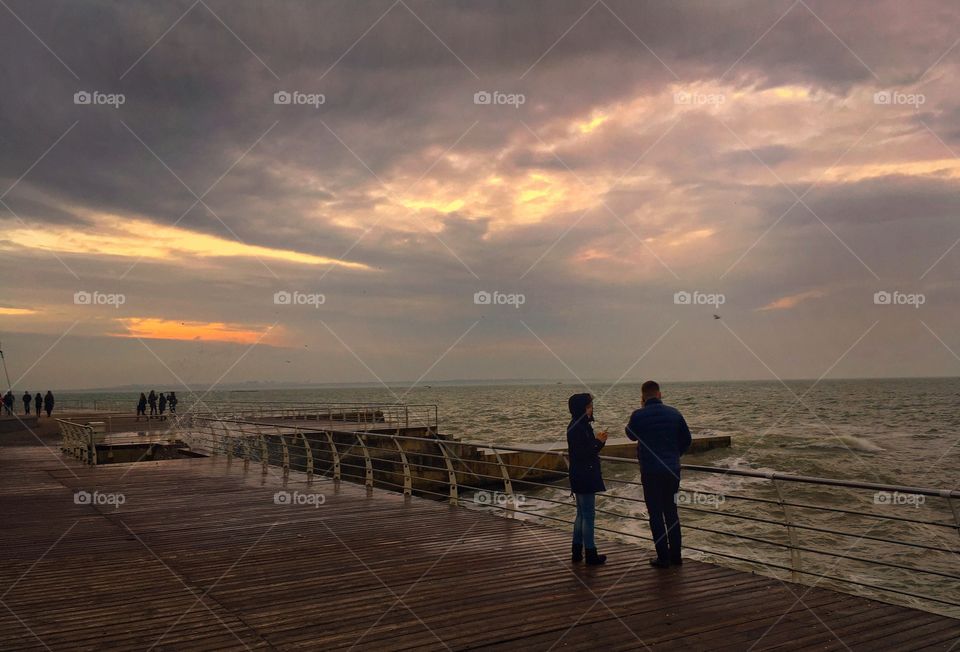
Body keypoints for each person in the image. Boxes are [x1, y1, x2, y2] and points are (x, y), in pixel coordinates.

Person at [626, 380, 692, 569]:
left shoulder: (638, 415)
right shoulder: (674, 413)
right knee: (671, 512)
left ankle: (663, 557)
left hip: (650, 471)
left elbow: (630, 434)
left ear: (643, 397)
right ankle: (676, 556)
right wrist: (674, 454)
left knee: (655, 514)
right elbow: (686, 439)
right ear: (659, 394)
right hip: (672, 470)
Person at [567, 393, 609, 565]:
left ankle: (577, 550)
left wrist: (597, 441)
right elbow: (584, 453)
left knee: (580, 515)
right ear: (582, 408)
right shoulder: (580, 427)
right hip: (585, 474)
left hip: (578, 474)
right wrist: (599, 442)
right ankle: (590, 552)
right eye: (589, 406)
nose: (591, 409)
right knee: (588, 515)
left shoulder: (575, 426)